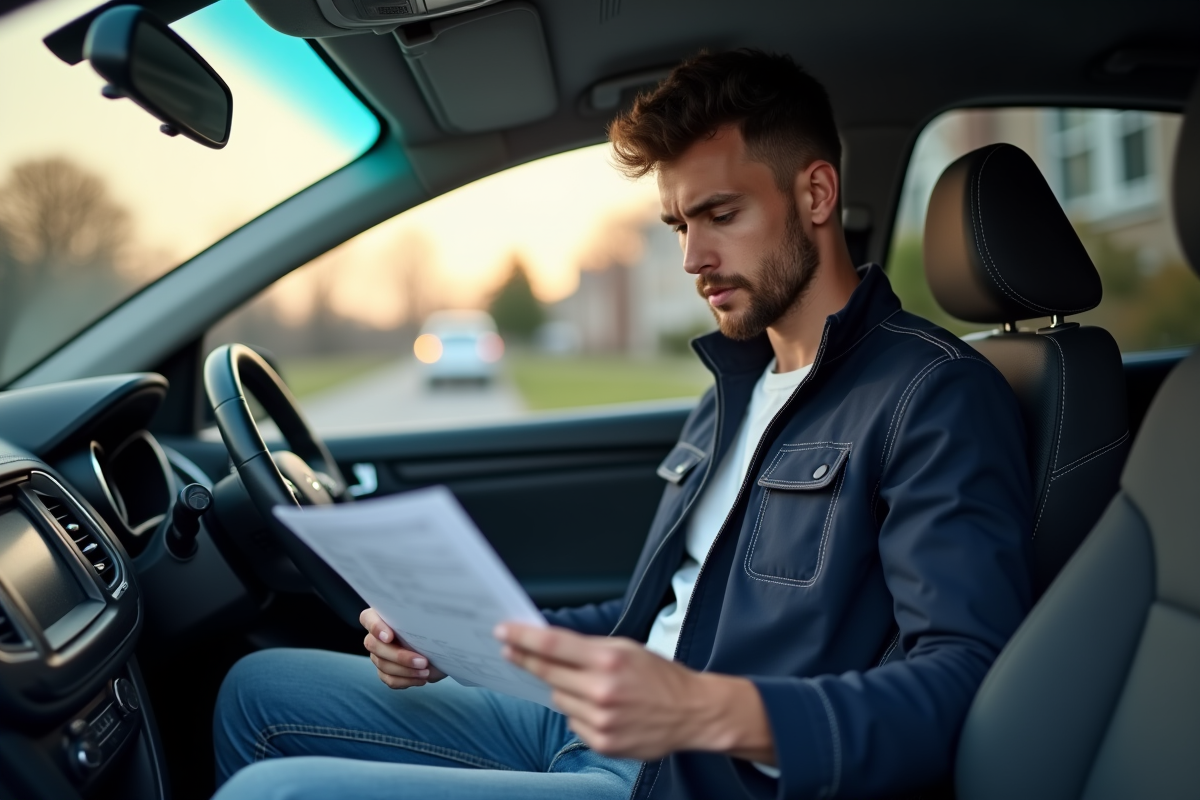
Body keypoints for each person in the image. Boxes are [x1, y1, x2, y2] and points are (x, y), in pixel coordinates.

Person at [212, 49, 1032, 800]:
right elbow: (651, 616)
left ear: (815, 194)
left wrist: (711, 711)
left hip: (697, 776)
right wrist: (457, 642)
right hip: (591, 719)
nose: (692, 258)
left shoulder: (933, 395)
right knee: (258, 689)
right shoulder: (733, 389)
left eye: (720, 214)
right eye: (680, 225)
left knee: (270, 797)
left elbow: (966, 675)